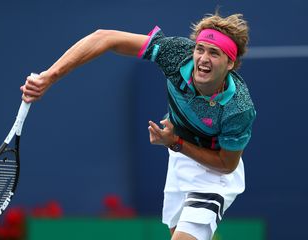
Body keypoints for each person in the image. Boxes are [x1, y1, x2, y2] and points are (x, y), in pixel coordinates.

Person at [21, 12, 256, 240]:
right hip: (180, 157)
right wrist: (49, 76)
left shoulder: (238, 107)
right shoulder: (177, 55)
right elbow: (105, 37)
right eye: (200, 49)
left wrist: (175, 143)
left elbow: (227, 164)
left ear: (230, 63)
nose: (203, 58)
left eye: (214, 53)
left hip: (213, 173)